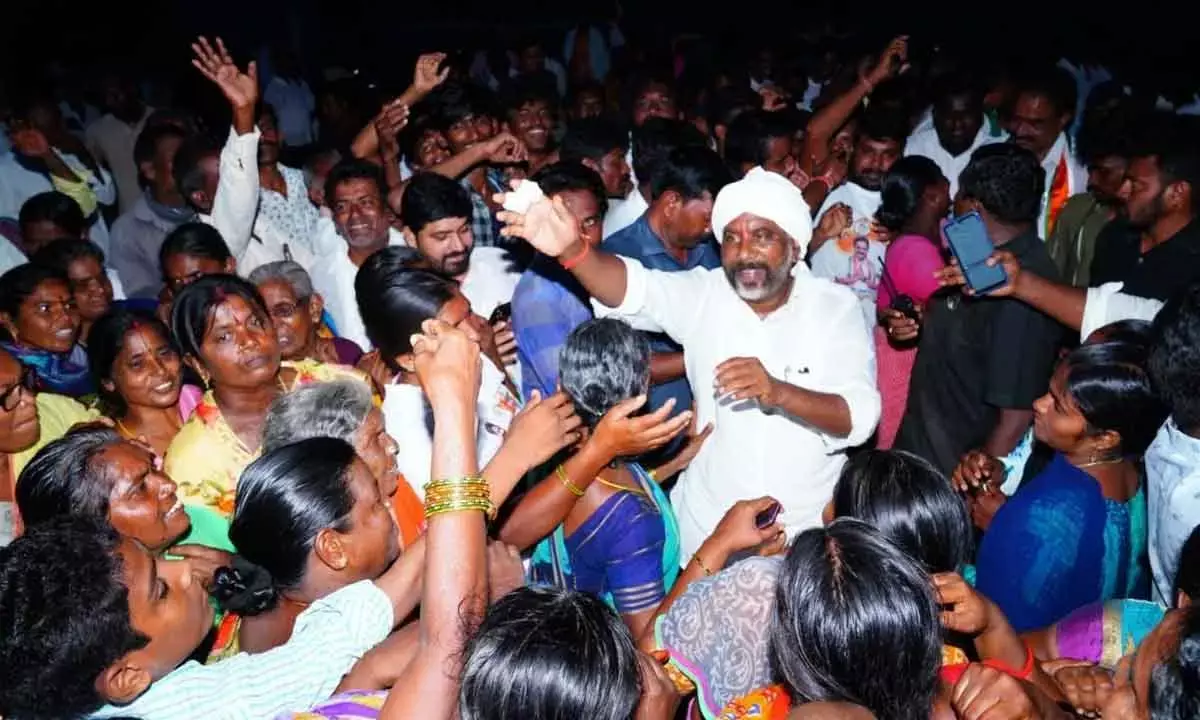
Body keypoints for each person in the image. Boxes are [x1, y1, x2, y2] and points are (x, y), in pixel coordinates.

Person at [497, 166, 879, 563]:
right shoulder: (707, 294)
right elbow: (634, 287)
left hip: (804, 534)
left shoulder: (835, 308)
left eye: (762, 236)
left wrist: (778, 392)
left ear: (796, 247)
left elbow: (859, 418)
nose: (744, 250)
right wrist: (572, 251)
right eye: (732, 237)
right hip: (709, 530)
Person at [957, 340, 1167, 631]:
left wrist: (1005, 529)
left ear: (1105, 438)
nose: (1038, 404)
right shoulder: (1133, 467)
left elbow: (1002, 624)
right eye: (1049, 392)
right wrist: (1003, 474)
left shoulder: (1049, 517)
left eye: (1058, 406)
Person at [891, 144, 1064, 479]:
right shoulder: (977, 250)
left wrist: (969, 491)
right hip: (918, 451)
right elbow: (973, 340)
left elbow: (1013, 418)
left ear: (974, 205)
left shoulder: (1024, 294)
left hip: (945, 476)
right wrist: (920, 321)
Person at [163, 274, 368, 533]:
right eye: (224, 336)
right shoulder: (193, 461)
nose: (249, 340)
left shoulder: (340, 387)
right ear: (196, 363)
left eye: (256, 322)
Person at [355, 248, 521, 493]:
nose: (475, 334)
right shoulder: (404, 435)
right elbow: (459, 523)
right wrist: (520, 451)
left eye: (469, 313)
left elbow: (509, 404)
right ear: (410, 359)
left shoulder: (466, 355)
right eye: (453, 328)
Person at [603, 145, 732, 426]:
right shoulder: (617, 263)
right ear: (672, 204)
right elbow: (627, 367)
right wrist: (713, 350)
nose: (714, 229)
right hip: (656, 436)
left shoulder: (710, 248)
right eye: (708, 218)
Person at [15, 426, 227, 552]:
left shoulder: (202, 523)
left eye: (153, 468)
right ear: (89, 532)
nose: (169, 485)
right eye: (139, 488)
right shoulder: (104, 619)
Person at [260, 379, 420, 547]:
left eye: (385, 433)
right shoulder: (334, 543)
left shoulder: (395, 488)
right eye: (376, 439)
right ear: (332, 465)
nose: (393, 446)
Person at [872, 156, 950, 448]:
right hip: (902, 366)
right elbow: (950, 313)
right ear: (933, 194)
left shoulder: (931, 236)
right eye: (944, 179)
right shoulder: (916, 250)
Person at [512, 162, 607, 398]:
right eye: (565, 224)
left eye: (590, 222)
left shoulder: (604, 269)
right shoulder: (538, 298)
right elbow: (578, 394)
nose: (578, 236)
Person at [86, 309, 203, 457]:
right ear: (108, 382)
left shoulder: (197, 400)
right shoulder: (120, 452)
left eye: (164, 353)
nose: (160, 370)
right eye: (137, 364)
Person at [109, 123, 195, 299]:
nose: (188, 165)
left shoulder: (213, 206)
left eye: (189, 158)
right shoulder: (128, 230)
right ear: (150, 170)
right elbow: (141, 297)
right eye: (177, 160)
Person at [0, 263, 92, 398]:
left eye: (69, 305)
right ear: (7, 319)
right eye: (45, 308)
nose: (66, 317)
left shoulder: (83, 357)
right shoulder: (8, 375)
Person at [249, 260, 363, 366]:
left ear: (314, 308)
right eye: (262, 318)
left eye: (284, 310)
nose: (273, 325)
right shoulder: (260, 374)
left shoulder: (346, 355)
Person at [30, 237, 116, 345]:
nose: (100, 289)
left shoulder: (125, 329)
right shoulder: (54, 350)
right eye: (83, 285)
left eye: (102, 278)